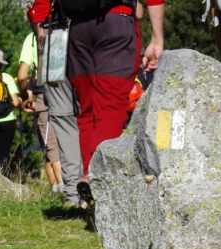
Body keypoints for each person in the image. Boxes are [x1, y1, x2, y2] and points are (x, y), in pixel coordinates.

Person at [35, 0, 165, 209]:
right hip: (116, 24)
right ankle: (97, 178)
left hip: (77, 30)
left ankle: (89, 178)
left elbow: (40, 6)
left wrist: (42, 37)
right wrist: (157, 38)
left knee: (87, 110)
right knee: (111, 106)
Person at [27, 1, 85, 208]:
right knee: (92, 117)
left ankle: (73, 192)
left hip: (56, 43)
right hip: (92, 43)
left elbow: (38, 16)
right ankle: (92, 182)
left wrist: (43, 62)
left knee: (62, 119)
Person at [17, 29, 66, 194]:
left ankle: (62, 189)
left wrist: (26, 94)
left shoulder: (32, 38)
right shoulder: (65, 31)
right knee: (65, 139)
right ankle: (61, 187)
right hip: (68, 90)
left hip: (44, 95)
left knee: (49, 143)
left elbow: (22, 76)